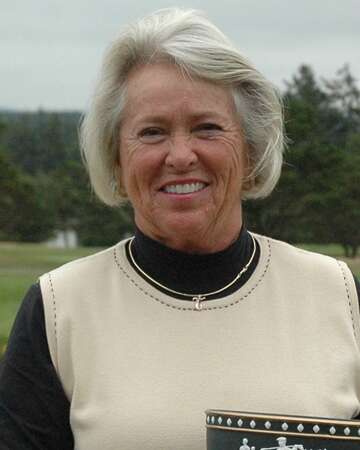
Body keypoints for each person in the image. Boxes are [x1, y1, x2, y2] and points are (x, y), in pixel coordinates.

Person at [1, 7, 360, 450]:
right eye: (152, 133)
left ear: (249, 148)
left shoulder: (337, 296)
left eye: (207, 128)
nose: (180, 155)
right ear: (116, 157)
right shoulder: (59, 311)